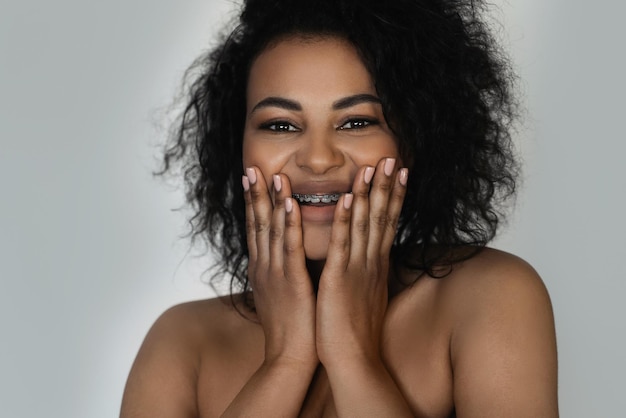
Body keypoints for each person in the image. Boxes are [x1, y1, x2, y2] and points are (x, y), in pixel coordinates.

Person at [120, 0, 558, 416]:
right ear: (236, 148)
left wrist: (353, 356)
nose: (318, 159)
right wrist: (285, 361)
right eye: (280, 125)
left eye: (356, 122)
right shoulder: (183, 343)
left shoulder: (489, 298)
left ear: (414, 139)